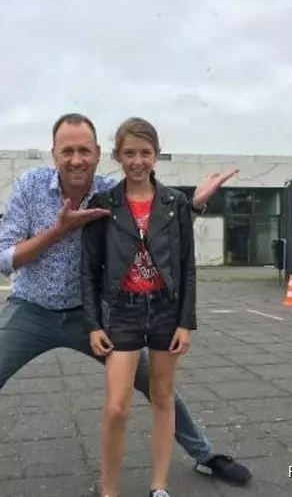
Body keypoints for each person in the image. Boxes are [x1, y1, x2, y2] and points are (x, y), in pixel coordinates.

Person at [0, 113, 249, 497]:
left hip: (94, 316)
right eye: (68, 151)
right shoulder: (30, 186)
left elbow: (159, 229)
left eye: (84, 151)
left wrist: (193, 206)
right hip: (31, 309)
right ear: (54, 154)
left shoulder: (112, 192)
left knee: (159, 387)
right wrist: (59, 230)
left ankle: (204, 454)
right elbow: (4, 259)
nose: (76, 159)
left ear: (97, 154)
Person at [81, 117, 196, 497]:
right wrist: (94, 324)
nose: (137, 161)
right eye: (129, 153)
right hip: (123, 312)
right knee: (116, 407)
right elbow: (89, 270)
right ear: (116, 156)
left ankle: (159, 485)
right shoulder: (104, 205)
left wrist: (186, 322)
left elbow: (186, 266)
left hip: (165, 309)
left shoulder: (174, 203)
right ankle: (109, 491)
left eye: (145, 153)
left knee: (164, 399)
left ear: (156, 155)